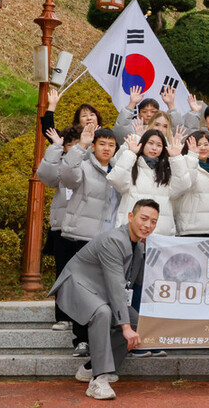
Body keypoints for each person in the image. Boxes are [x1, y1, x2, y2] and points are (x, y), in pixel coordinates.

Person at [49, 198, 159, 401]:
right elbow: (117, 286)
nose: (148, 225)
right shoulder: (114, 240)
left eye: (153, 222)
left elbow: (142, 281)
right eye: (144, 218)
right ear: (130, 216)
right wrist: (125, 327)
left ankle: (91, 368)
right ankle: (98, 381)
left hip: (99, 290)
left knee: (137, 321)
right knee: (103, 312)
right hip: (78, 285)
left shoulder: (140, 247)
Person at [58, 124, 120, 357]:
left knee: (103, 292)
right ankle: (81, 339)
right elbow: (66, 176)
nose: (106, 148)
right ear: (94, 146)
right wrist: (80, 145)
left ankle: (100, 340)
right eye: (101, 144)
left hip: (108, 240)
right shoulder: (82, 165)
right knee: (82, 291)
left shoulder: (118, 171)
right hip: (83, 237)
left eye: (111, 145)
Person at [108, 128, 191, 236]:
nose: (154, 148)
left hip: (161, 232)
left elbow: (183, 186)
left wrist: (176, 158)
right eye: (150, 143)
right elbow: (116, 180)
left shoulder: (167, 169)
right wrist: (130, 153)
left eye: (159, 145)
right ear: (143, 144)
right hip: (132, 232)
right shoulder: (132, 165)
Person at [39, 124, 81, 332]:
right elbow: (46, 176)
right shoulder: (60, 163)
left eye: (78, 144)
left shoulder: (91, 163)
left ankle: (81, 316)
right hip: (62, 226)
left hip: (85, 227)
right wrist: (55, 148)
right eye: (69, 145)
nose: (73, 149)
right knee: (63, 271)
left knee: (83, 274)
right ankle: (63, 316)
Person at [176, 131, 209, 237]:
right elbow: (186, 185)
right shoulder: (184, 163)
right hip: (193, 228)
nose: (203, 148)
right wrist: (192, 157)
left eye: (206, 144)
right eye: (198, 145)